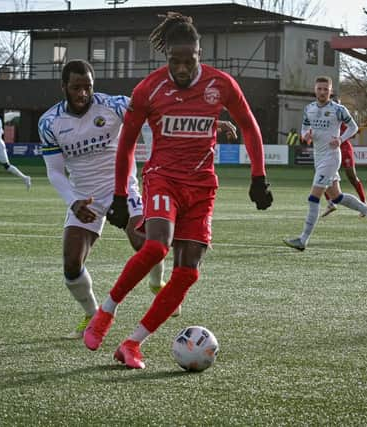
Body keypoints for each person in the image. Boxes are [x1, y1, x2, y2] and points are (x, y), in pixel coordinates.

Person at [83, 12, 273, 369]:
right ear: (166, 56)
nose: (182, 69)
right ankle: (105, 313)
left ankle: (132, 344)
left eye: (190, 61)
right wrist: (122, 196)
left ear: (200, 53)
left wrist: (259, 177)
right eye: (175, 61)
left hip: (202, 187)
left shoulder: (222, 85)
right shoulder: (148, 89)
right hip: (163, 179)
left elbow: (249, 126)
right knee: (156, 246)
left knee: (188, 272)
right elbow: (125, 144)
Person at [38, 59, 176, 340]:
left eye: (87, 87)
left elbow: (153, 117)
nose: (83, 94)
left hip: (122, 189)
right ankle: (91, 313)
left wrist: (153, 160)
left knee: (147, 243)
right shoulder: (49, 122)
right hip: (84, 198)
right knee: (71, 263)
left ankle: (157, 282)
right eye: (76, 88)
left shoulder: (113, 106)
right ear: (63, 87)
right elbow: (54, 171)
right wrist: (73, 201)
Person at [284, 76, 367, 252]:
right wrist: (306, 135)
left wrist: (341, 139)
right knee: (337, 197)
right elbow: (305, 128)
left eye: (325, 89)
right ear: (315, 89)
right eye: (319, 89)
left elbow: (354, 127)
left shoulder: (338, 109)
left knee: (313, 198)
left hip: (331, 157)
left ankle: (303, 239)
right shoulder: (309, 109)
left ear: (331, 91)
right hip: (318, 157)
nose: (322, 92)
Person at [321, 95, 367, 218]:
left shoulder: (344, 117)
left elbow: (353, 130)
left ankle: (364, 204)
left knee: (352, 177)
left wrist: (341, 138)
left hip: (345, 149)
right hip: (331, 150)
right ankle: (331, 203)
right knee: (322, 176)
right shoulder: (325, 116)